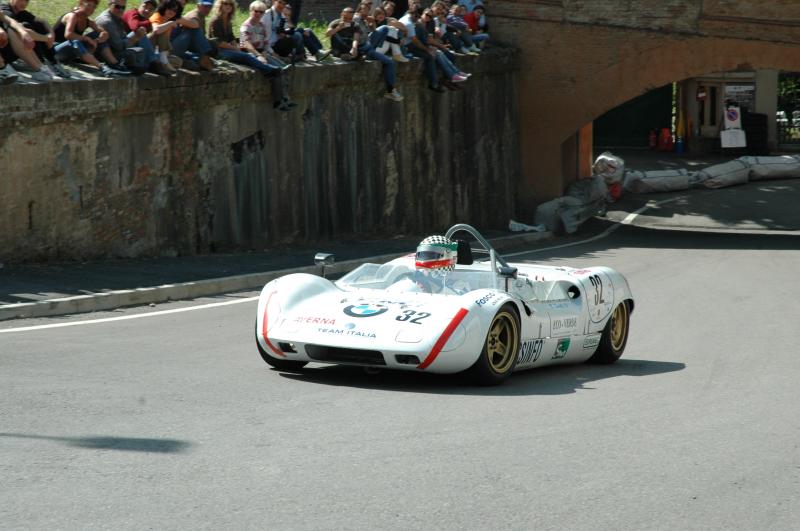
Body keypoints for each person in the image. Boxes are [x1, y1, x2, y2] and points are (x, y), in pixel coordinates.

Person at [238, 0, 296, 111]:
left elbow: (265, 43)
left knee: (284, 68)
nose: (259, 14)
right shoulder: (246, 26)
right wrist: (258, 55)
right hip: (250, 53)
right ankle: (279, 101)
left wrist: (268, 53)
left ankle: (285, 98)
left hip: (262, 52)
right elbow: (245, 43)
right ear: (251, 11)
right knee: (277, 70)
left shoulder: (262, 25)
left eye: (262, 12)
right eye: (256, 11)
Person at [0, 0, 72, 78]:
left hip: (12, 49)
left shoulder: (20, 12)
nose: (24, 3)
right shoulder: (6, 10)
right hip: (6, 51)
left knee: (38, 25)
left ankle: (52, 63)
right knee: (24, 27)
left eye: (26, 1)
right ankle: (39, 65)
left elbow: (43, 21)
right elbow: (20, 30)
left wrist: (51, 34)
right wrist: (46, 38)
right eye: (21, 0)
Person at [96, 0, 170, 75]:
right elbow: (119, 46)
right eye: (117, 6)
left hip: (120, 47)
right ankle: (155, 63)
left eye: (123, 7)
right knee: (141, 34)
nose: (121, 10)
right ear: (109, 5)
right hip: (111, 55)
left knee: (176, 60)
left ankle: (157, 62)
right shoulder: (108, 21)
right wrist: (135, 37)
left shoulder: (116, 16)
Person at [53, 0, 120, 76]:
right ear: (81, 4)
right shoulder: (72, 16)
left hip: (71, 53)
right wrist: (86, 39)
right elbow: (68, 34)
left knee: (96, 34)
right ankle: (103, 68)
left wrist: (97, 40)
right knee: (75, 42)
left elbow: (104, 33)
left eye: (94, 7)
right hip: (56, 51)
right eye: (88, 5)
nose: (91, 9)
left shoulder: (89, 21)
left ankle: (115, 64)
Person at [122, 0, 175, 73]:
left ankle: (160, 61)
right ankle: (154, 63)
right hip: (122, 45)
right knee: (141, 31)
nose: (147, 10)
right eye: (144, 7)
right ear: (139, 6)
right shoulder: (132, 12)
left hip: (136, 47)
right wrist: (150, 23)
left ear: (153, 11)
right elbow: (134, 27)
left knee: (178, 62)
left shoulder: (145, 19)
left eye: (151, 9)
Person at [169, 0, 214, 70]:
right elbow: (195, 25)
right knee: (194, 30)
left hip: (177, 47)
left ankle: (203, 58)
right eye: (205, 6)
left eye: (209, 7)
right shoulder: (170, 14)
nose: (207, 9)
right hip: (168, 49)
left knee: (212, 44)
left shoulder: (201, 16)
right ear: (198, 6)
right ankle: (205, 58)